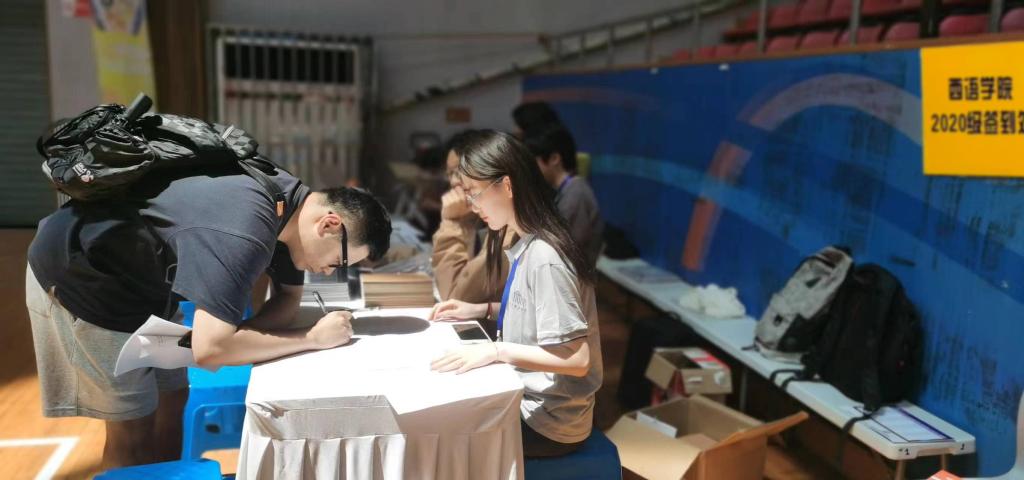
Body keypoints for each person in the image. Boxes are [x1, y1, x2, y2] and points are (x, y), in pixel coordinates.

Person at [25, 165, 391, 469]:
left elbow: (287, 300)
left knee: (173, 402)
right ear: (329, 225)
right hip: (85, 277)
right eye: (339, 262)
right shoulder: (244, 229)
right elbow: (210, 351)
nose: (329, 272)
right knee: (133, 431)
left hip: (146, 282)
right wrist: (310, 339)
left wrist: (236, 343)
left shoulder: (290, 208)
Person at [428, 129, 603, 458]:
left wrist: (496, 351)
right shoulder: (528, 243)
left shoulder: (545, 256)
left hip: (549, 424)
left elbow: (578, 359)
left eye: (475, 193)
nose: (473, 206)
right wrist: (480, 310)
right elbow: (535, 313)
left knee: (441, 439)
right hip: (532, 404)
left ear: (506, 185)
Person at [431, 130, 516, 305]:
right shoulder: (488, 219)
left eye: (459, 172)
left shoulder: (510, 229)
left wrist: (452, 222)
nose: (454, 182)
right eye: (450, 174)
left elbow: (454, 297)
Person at [524, 124, 604, 268]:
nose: (530, 169)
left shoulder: (576, 194)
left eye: (533, 162)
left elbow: (565, 251)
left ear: (554, 158)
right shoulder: (566, 189)